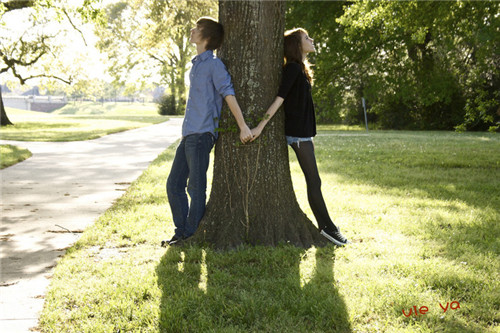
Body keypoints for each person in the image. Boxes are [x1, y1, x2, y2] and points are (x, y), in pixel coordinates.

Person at [251, 28, 349, 246]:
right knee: (314, 180)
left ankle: (328, 227)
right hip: (297, 135)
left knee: (315, 180)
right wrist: (260, 126)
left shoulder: (300, 69)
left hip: (304, 134)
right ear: (296, 45)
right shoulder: (293, 69)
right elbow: (279, 99)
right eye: (306, 38)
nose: (311, 40)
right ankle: (328, 229)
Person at [162, 17, 253, 247]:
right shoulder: (197, 65)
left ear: (208, 37)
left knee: (196, 187)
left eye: (197, 28)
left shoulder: (214, 65)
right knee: (174, 184)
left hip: (203, 135)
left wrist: (243, 126)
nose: (192, 30)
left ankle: (190, 236)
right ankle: (181, 231)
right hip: (189, 135)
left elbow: (228, 94)